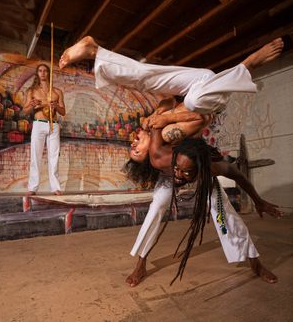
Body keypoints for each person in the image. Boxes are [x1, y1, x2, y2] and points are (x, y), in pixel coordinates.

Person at [59, 36, 284, 163]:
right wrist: (164, 122)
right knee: (195, 102)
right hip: (208, 98)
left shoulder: (153, 126)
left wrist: (156, 114)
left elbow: (167, 100)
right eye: (137, 150)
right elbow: (200, 116)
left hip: (198, 83)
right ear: (150, 153)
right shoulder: (166, 136)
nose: (133, 143)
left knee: (144, 78)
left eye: (131, 147)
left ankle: (94, 50)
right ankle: (250, 64)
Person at [125, 135, 283, 287]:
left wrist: (258, 201)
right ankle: (141, 263)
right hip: (168, 178)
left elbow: (240, 178)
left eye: (185, 171)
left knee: (225, 215)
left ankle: (255, 263)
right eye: (177, 168)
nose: (179, 175)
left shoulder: (214, 167)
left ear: (200, 168)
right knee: (156, 207)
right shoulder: (162, 159)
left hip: (203, 180)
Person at [23, 64, 66, 196]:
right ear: (37, 73)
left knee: (54, 157)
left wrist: (55, 106)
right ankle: (32, 187)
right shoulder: (32, 91)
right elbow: (25, 111)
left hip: (54, 125)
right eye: (40, 71)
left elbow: (63, 111)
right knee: (35, 156)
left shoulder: (57, 92)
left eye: (45, 71)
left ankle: (55, 188)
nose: (43, 73)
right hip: (39, 124)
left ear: (48, 73)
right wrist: (32, 104)